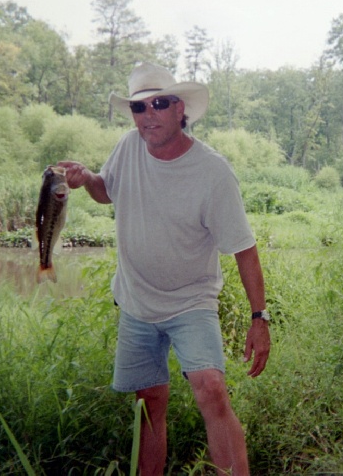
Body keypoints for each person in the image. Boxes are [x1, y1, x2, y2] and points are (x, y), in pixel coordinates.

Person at [58, 62, 270, 476]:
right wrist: (87, 180)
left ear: (180, 110)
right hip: (136, 302)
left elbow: (244, 249)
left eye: (159, 103)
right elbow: (108, 190)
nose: (148, 115)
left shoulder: (213, 172)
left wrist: (259, 317)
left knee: (211, 390)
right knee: (149, 402)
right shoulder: (126, 147)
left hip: (192, 301)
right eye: (139, 108)